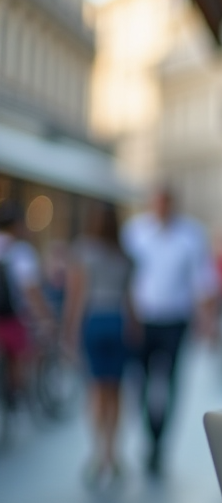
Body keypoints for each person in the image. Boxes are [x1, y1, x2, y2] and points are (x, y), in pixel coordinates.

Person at [121, 187, 217, 477]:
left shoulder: (191, 234)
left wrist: (207, 320)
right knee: (142, 380)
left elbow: (204, 280)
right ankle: (149, 432)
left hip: (176, 319)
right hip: (143, 318)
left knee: (172, 381)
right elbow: (125, 278)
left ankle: (160, 441)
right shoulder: (135, 233)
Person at [62, 202, 135, 484]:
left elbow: (76, 297)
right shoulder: (123, 256)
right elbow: (130, 300)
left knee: (95, 390)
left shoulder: (83, 252)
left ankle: (96, 451)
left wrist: (70, 331)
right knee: (115, 390)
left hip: (94, 321)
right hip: (118, 322)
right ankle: (112, 451)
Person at [0, 200, 55, 407]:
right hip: (12, 317)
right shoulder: (20, 251)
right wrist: (46, 318)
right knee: (22, 358)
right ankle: (15, 400)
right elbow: (31, 290)